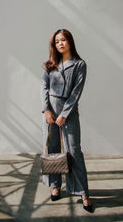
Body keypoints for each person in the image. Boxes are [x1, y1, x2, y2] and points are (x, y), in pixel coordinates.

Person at [40, 29, 93, 213]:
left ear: (70, 41)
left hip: (68, 113)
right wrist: (46, 110)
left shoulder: (80, 65)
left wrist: (64, 114)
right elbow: (44, 88)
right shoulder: (50, 64)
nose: (60, 43)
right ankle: (55, 185)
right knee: (53, 149)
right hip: (50, 113)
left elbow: (76, 92)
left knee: (74, 151)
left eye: (63, 40)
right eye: (57, 41)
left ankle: (82, 192)